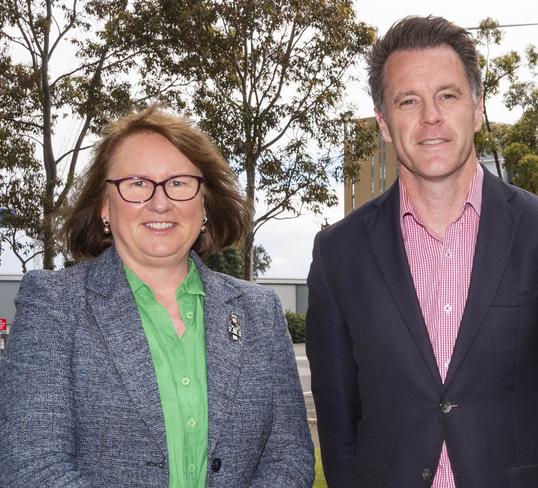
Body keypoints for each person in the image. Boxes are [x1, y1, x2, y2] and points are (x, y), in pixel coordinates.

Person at [306, 15, 538, 488]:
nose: (430, 117)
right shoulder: (337, 255)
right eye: (409, 101)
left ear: (476, 107)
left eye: (447, 96)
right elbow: (337, 408)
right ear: (385, 124)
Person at [0, 106, 314, 487]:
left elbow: (290, 459)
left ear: (204, 204)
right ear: (104, 206)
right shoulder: (53, 306)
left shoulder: (259, 312)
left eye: (179, 183)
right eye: (136, 183)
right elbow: (32, 467)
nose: (160, 202)